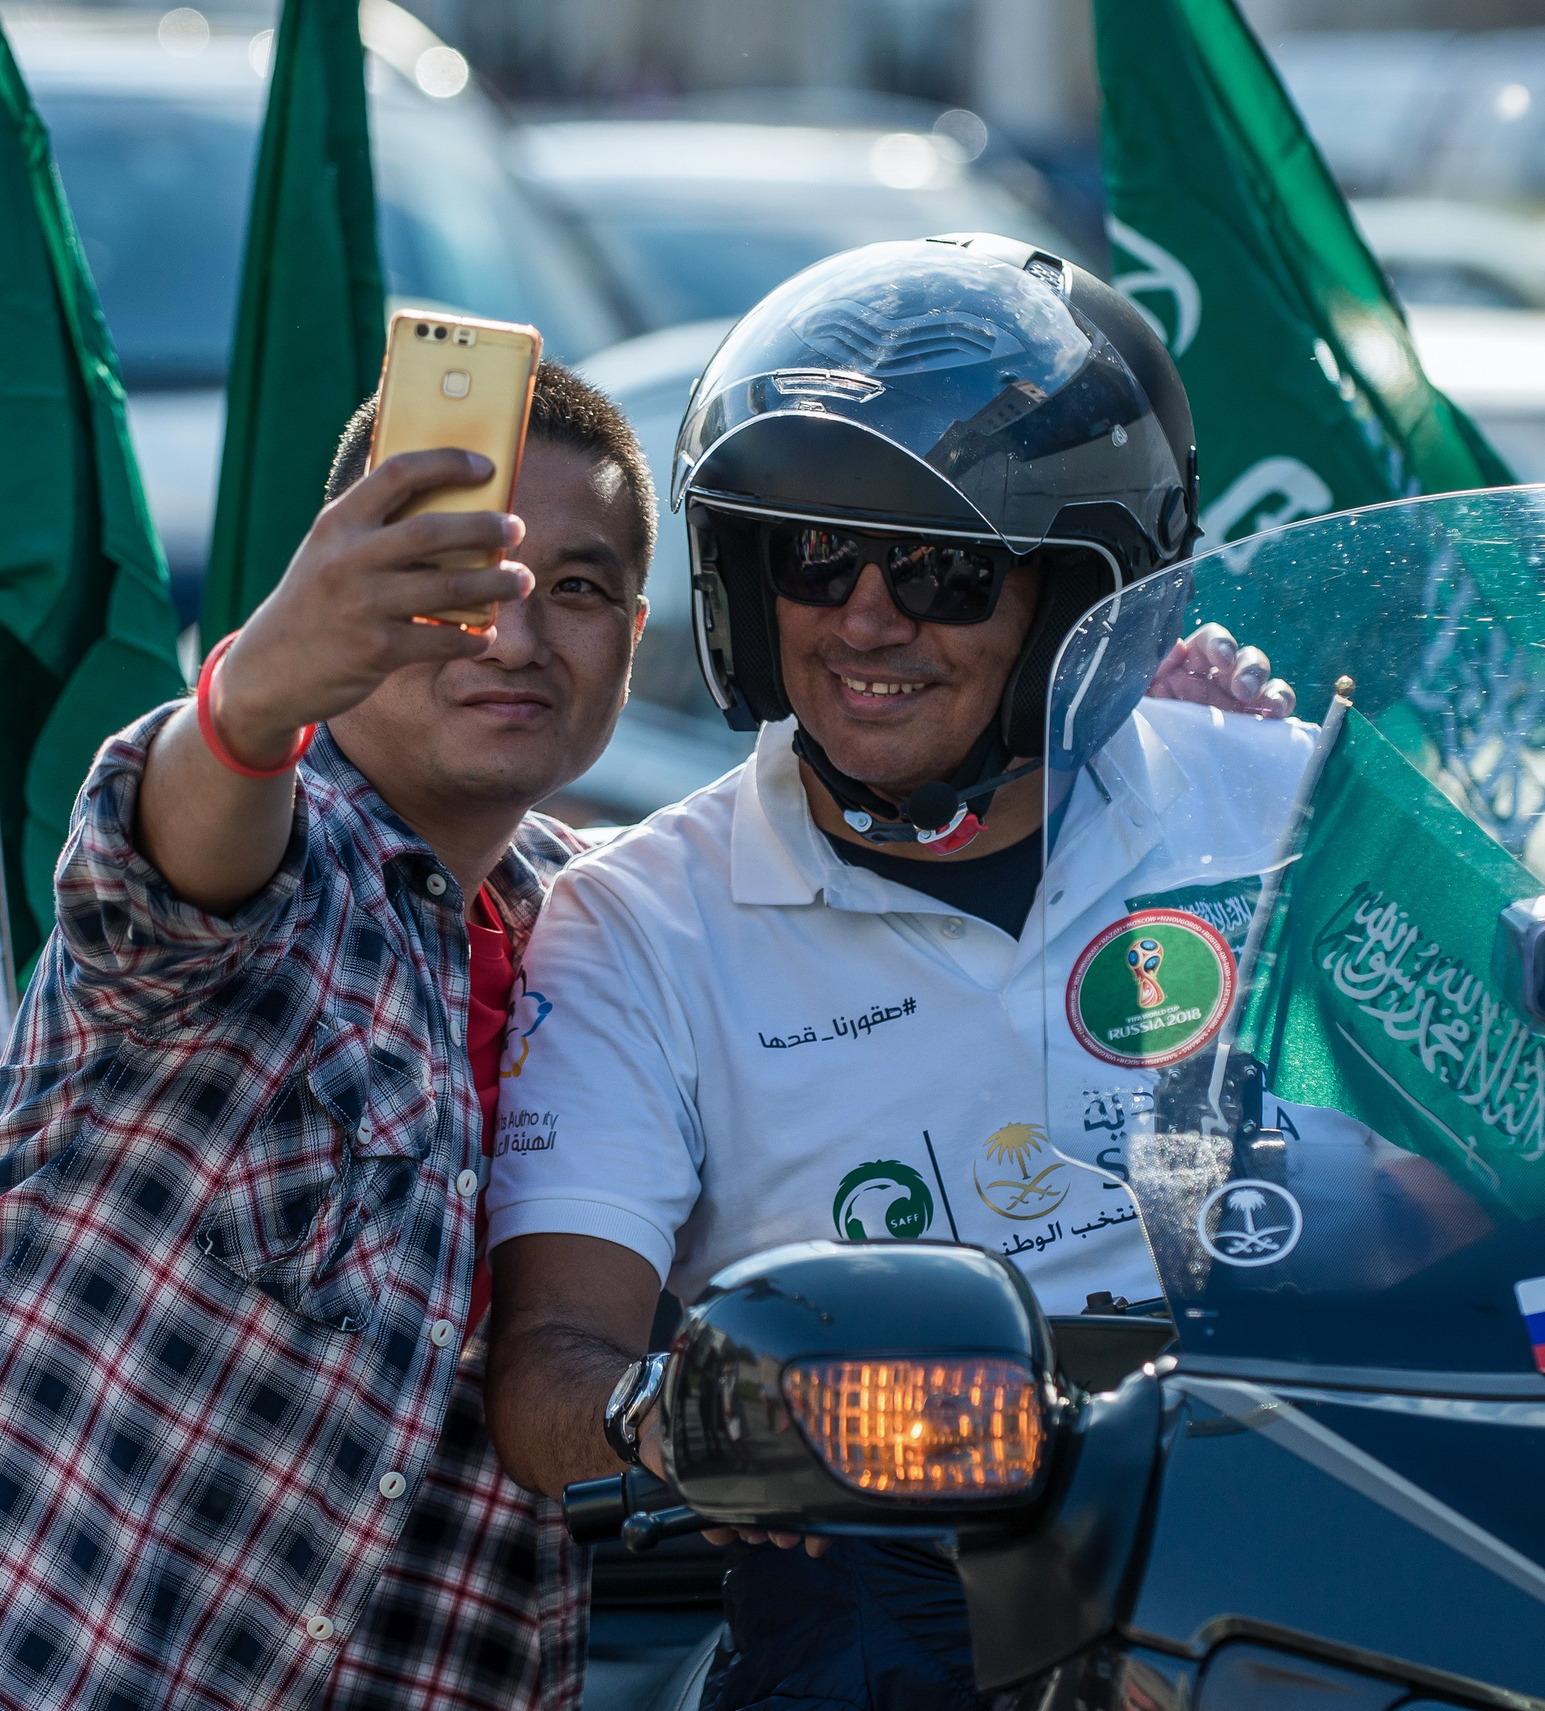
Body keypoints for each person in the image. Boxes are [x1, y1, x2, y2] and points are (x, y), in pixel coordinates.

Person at [0, 363, 654, 1711]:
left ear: (638, 632)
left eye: (580, 586)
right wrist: (254, 696)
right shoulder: (270, 836)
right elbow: (164, 854)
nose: (514, 635)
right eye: (464, 577)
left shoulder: (623, 939)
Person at [483, 236, 1302, 1710]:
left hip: (1309, 1502)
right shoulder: (638, 924)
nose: (864, 620)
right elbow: (551, 1358)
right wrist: (701, 1418)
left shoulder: (1281, 803)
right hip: (910, 1557)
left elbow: (1535, 1130)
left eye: (937, 570)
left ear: (1074, 593)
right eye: (813, 555)